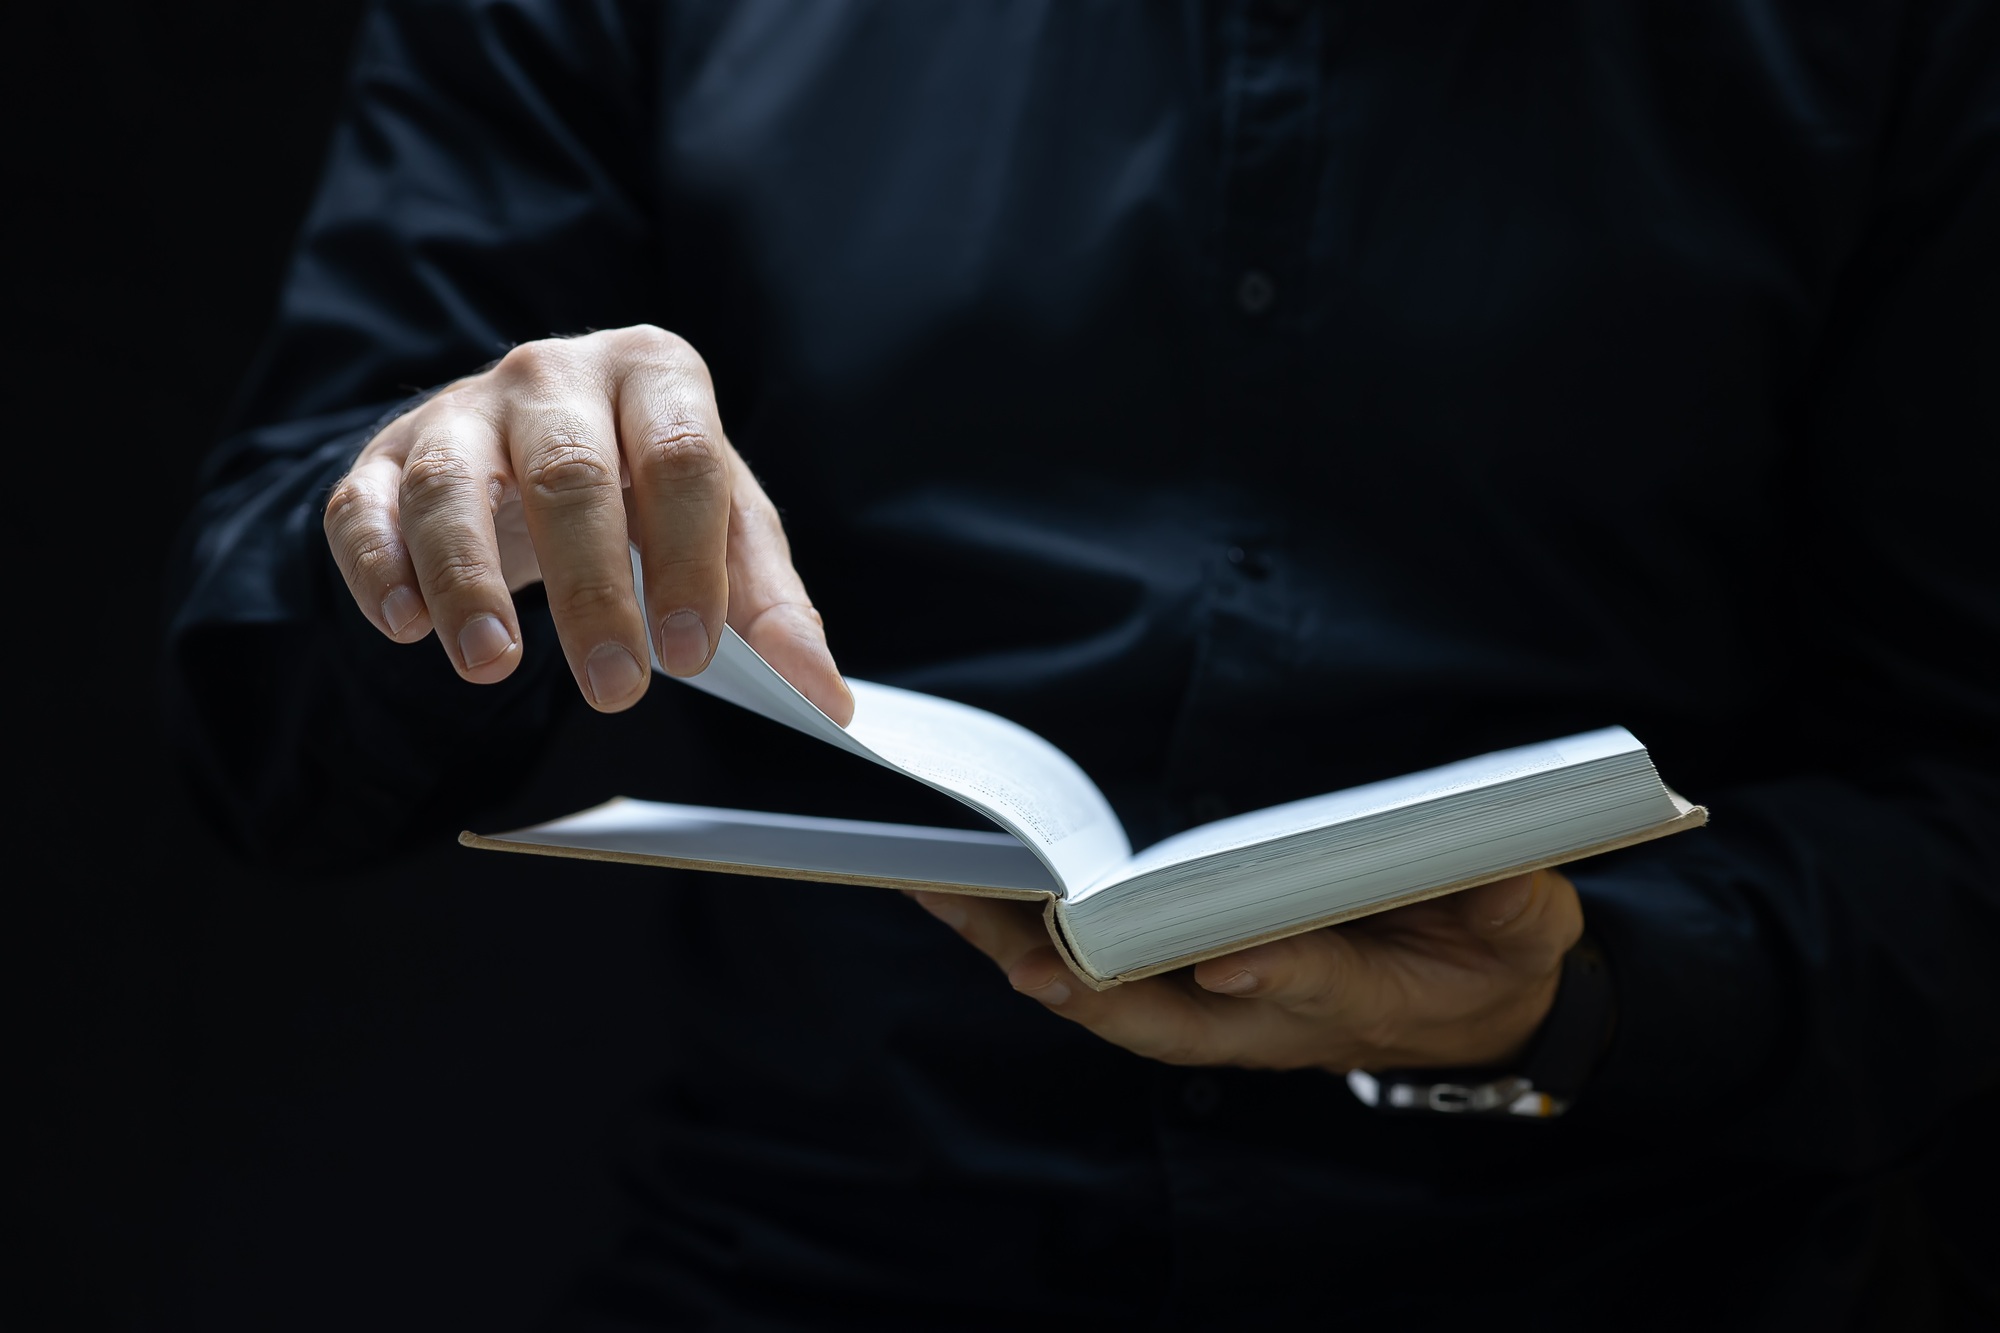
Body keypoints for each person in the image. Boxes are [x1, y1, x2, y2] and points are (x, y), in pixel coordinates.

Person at [166, 1, 1998, 1327]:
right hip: (826, 1253)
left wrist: (1586, 989)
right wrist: (440, 505)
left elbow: (1965, 788)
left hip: (1647, 1262)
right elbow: (275, 746)